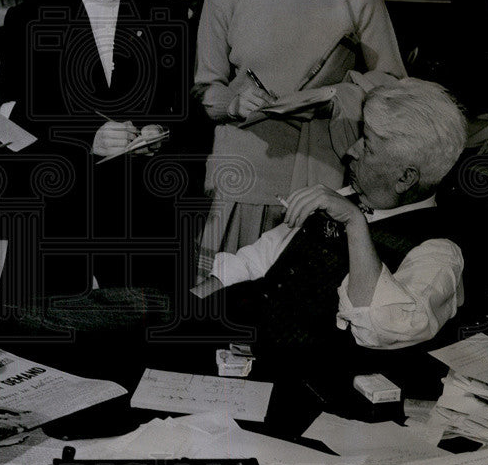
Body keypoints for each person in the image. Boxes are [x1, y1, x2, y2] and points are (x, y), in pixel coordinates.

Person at [194, 0, 407, 281]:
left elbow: (395, 85)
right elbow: (206, 91)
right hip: (244, 172)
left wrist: (335, 93)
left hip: (326, 172)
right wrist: (235, 103)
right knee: (226, 308)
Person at [0, 0, 193, 302]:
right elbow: (16, 118)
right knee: (47, 346)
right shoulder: (29, 18)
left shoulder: (168, 17)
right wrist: (88, 136)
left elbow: (185, 112)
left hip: (143, 220)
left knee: (146, 347)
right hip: (57, 216)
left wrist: (160, 130)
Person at [194, 78, 467, 369]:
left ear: (405, 177)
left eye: (369, 147)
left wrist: (354, 223)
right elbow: (256, 260)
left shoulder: (438, 254)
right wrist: (192, 306)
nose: (351, 150)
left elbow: (376, 327)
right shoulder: (346, 195)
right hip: (242, 345)